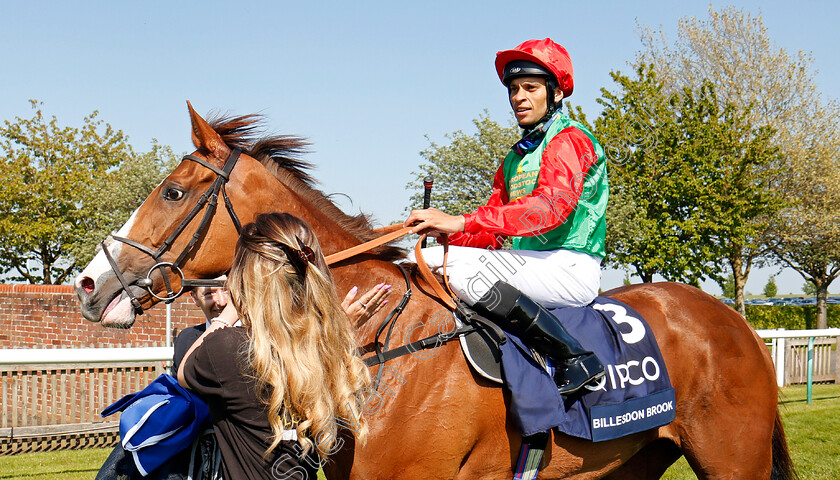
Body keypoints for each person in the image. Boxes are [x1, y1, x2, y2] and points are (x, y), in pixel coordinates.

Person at [404, 38, 608, 395]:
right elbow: (493, 232)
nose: (519, 97)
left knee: (450, 266)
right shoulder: (514, 159)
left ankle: (574, 357)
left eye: (530, 88)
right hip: (526, 261)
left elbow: (549, 210)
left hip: (570, 265)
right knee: (422, 257)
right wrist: (444, 233)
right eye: (514, 89)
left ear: (556, 93)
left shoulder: (571, 140)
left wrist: (461, 221)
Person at [177, 213, 373, 479]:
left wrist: (229, 312)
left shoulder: (224, 348)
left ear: (245, 278)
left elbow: (185, 372)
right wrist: (339, 332)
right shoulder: (323, 350)